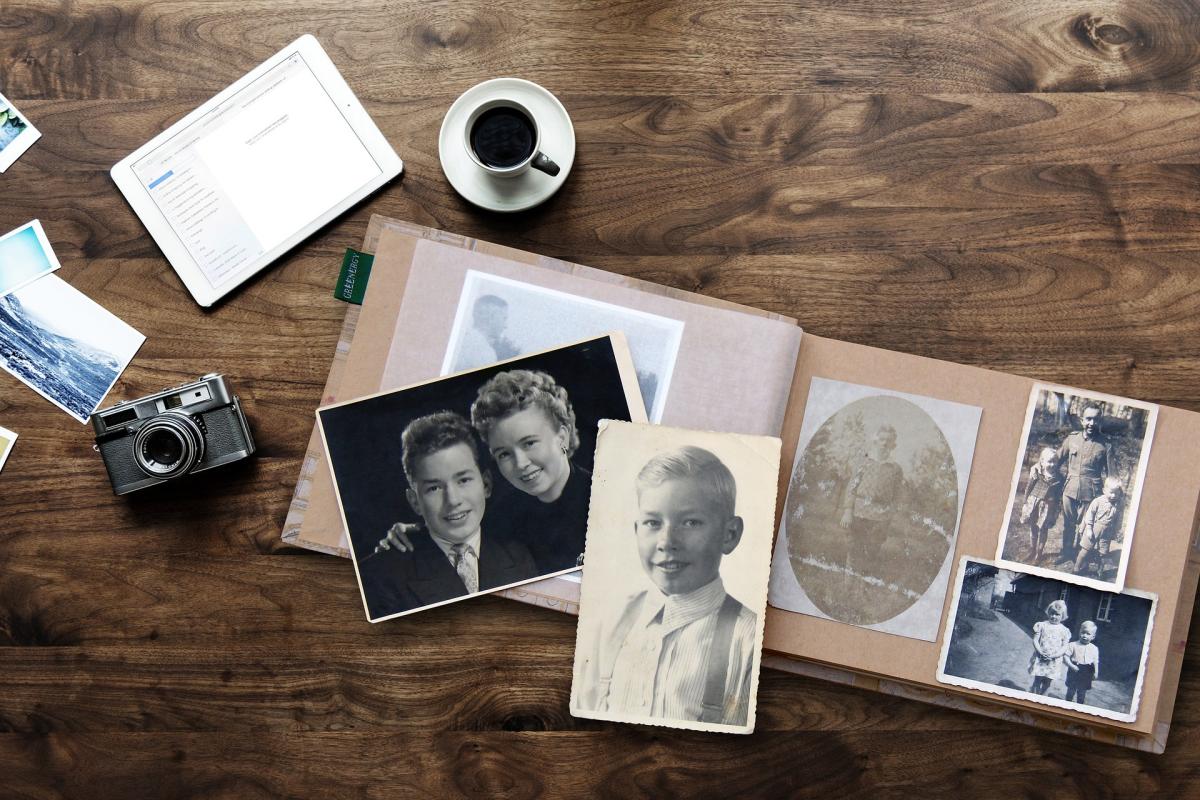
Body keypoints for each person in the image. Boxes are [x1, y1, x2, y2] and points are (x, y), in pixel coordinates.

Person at [572, 446, 757, 726]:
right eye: (652, 522)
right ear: (636, 530)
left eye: (691, 522)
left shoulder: (748, 640)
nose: (667, 541)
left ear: (729, 534)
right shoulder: (610, 621)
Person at [378, 369, 592, 575]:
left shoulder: (606, 499)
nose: (520, 463)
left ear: (562, 437)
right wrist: (413, 533)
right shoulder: (502, 515)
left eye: (529, 443)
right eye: (504, 454)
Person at [357, 411, 537, 619]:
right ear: (415, 501)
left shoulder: (519, 558)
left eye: (463, 480)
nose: (453, 500)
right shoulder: (379, 577)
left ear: (486, 484)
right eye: (434, 488)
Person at [838, 424, 905, 575]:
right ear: (875, 441)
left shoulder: (895, 469)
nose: (884, 443)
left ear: (893, 444)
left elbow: (897, 496)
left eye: (888, 440)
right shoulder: (864, 462)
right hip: (859, 512)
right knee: (854, 549)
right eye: (881, 439)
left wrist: (888, 516)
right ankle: (847, 586)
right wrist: (848, 511)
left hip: (881, 516)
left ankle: (863, 587)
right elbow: (851, 488)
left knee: (872, 551)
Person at [1056, 405, 1112, 565]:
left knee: (1086, 525)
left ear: (1100, 422)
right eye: (1088, 418)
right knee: (1068, 524)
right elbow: (1056, 460)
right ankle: (1067, 552)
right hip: (1069, 488)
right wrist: (1038, 467)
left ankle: (1080, 556)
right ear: (1082, 420)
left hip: (1091, 492)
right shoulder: (1072, 439)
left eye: (1096, 419)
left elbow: (1112, 474)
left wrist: (1112, 496)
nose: (1091, 423)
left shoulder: (1105, 445)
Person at [1073, 476, 1124, 577]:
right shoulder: (1097, 501)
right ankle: (1076, 568)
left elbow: (1119, 518)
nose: (1113, 495)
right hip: (1094, 528)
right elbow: (1089, 515)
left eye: (1116, 493)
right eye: (1111, 492)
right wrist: (1089, 529)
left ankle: (1100, 571)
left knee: (1103, 553)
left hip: (1107, 531)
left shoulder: (1119, 504)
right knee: (1085, 549)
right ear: (1104, 490)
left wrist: (1116, 530)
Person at [455, 294, 520, 370]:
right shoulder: (485, 353)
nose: (506, 326)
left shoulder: (460, 340)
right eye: (504, 318)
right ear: (491, 318)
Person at [1021, 447, 1062, 564]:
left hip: (1048, 506)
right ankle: (1032, 550)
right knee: (1033, 527)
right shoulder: (1037, 472)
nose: (1052, 464)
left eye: (1055, 461)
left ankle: (1039, 553)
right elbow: (1028, 488)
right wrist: (1025, 503)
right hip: (1034, 504)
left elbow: (1059, 495)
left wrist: (1056, 511)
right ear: (1042, 462)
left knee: (1043, 529)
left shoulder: (1059, 477)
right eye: (1049, 461)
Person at [1028, 599, 1071, 695]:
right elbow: (1035, 640)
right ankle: (1033, 698)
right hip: (1041, 657)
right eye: (1052, 613)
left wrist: (1055, 655)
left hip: (1054, 661)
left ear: (1062, 616)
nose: (1053, 616)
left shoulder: (1064, 630)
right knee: (1037, 680)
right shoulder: (1042, 625)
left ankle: (1042, 699)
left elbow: (1064, 646)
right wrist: (1040, 651)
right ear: (1048, 613)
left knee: (1047, 682)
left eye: (1057, 614)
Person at [1064, 620, 1101, 704]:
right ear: (1079, 632)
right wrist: (1071, 665)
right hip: (1074, 669)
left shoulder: (1094, 648)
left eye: (1088, 634)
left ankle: (1079, 707)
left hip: (1087, 671)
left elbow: (1096, 661)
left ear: (1093, 637)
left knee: (1082, 692)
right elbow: (1066, 656)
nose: (1084, 635)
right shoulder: (1073, 645)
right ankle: (1067, 705)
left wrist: (1096, 672)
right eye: (1083, 632)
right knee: (1071, 690)